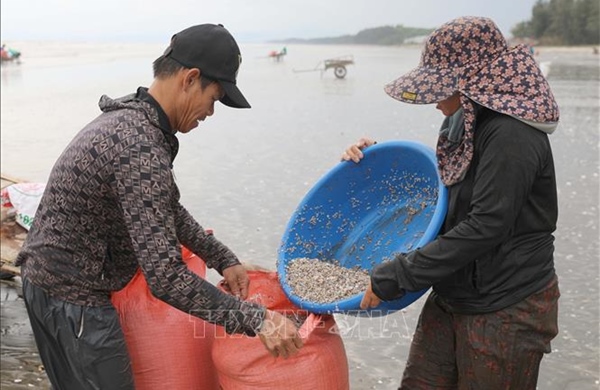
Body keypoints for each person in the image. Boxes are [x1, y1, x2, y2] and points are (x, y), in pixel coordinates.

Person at [16, 23, 303, 390]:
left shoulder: (134, 120)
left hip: (48, 285)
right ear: (190, 78)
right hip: (73, 299)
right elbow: (166, 278)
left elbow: (164, 206)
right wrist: (256, 319)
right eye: (214, 99)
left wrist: (222, 258)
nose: (211, 113)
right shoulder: (140, 147)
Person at [343, 16, 561, 389]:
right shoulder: (463, 119)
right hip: (454, 294)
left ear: (472, 81)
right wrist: (373, 167)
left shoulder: (512, 132)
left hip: (506, 306)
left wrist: (398, 274)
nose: (434, 101)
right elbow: (442, 195)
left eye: (441, 87)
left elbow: (486, 225)